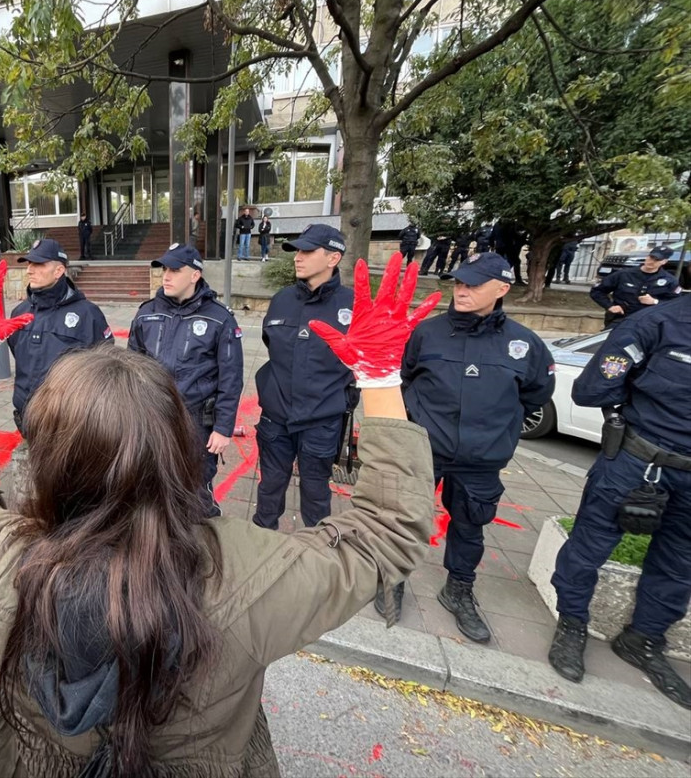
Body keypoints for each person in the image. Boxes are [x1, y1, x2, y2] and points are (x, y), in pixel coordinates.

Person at [0, 251, 437, 776]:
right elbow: (386, 531)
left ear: (47, 457)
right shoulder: (247, 575)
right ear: (173, 449)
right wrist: (379, 378)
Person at [392, 252, 554, 639]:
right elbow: (405, 378)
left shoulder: (524, 343)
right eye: (460, 283)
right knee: (405, 518)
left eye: (474, 285)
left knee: (469, 525)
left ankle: (458, 589)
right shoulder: (427, 333)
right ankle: (393, 578)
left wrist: (496, 428)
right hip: (426, 449)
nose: (462, 291)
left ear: (501, 289)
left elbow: (535, 395)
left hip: (482, 457)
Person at [546, 295, 691, 708]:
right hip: (639, 461)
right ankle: (572, 623)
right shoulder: (656, 324)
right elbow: (594, 387)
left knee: (679, 563)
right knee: (590, 545)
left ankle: (643, 640)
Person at [129, 244, 244, 515]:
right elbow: (132, 367)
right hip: (154, 417)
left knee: (196, 490)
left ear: (195, 275)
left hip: (197, 422)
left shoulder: (219, 319)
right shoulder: (146, 313)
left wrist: (223, 428)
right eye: (164, 270)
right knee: (152, 486)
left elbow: (231, 377)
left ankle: (202, 537)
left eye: (175, 270)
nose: (166, 276)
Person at [253, 224, 355, 530]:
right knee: (269, 489)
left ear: (333, 258)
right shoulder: (282, 299)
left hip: (321, 420)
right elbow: (272, 345)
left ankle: (318, 551)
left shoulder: (353, 305)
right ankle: (263, 545)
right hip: (276, 418)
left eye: (308, 251)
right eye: (298, 251)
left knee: (316, 495)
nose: (298, 257)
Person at [7, 238, 112, 435]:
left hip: (67, 422)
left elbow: (104, 367)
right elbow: (17, 352)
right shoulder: (19, 312)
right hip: (26, 418)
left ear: (58, 271)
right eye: (29, 264)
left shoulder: (87, 314)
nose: (29, 270)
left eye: (38, 264)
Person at [590, 245, 679, 327]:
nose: (651, 261)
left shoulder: (669, 280)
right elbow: (597, 291)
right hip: (620, 319)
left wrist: (655, 301)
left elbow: (676, 304)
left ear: (664, 261)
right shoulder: (624, 274)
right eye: (651, 257)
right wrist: (610, 306)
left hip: (648, 323)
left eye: (656, 260)